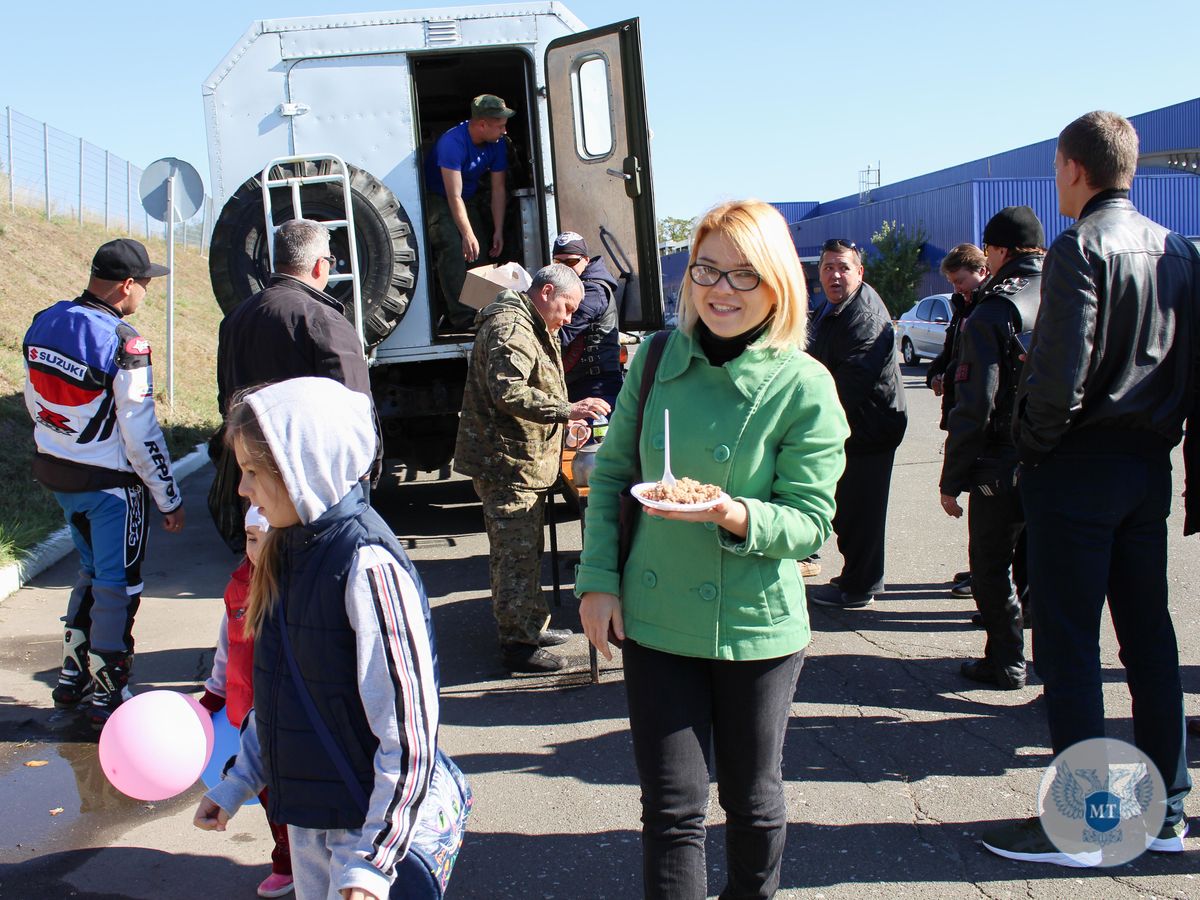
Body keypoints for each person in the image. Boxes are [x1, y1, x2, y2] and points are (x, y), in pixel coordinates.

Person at [577, 200, 849, 898]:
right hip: (656, 613)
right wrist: (598, 580)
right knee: (671, 811)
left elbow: (812, 521)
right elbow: (612, 475)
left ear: (778, 283)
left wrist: (731, 512)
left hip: (756, 626)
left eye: (743, 275)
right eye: (707, 269)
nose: (721, 290)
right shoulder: (661, 355)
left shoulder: (804, 383)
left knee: (753, 802)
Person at [982, 110, 1199, 864]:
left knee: (1070, 647)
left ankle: (1089, 822)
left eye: (1056, 169)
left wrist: (1030, 454)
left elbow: (1058, 376)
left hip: (1078, 467)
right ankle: (1168, 812)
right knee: (1147, 638)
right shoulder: (1179, 249)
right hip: (1148, 465)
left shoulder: (1081, 245)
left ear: (1074, 168)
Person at [193, 377, 440, 900]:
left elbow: (410, 732)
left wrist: (373, 862)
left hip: (364, 831)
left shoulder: (366, 565)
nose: (243, 489)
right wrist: (240, 780)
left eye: (254, 472)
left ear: (304, 468)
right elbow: (282, 694)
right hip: (310, 823)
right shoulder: (287, 552)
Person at [22, 238, 184, 728]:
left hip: (59, 474)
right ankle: (109, 692)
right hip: (113, 486)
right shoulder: (126, 343)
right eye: (146, 284)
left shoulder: (45, 320)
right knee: (120, 586)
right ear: (126, 285)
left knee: (91, 574)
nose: (146, 294)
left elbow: (36, 400)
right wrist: (168, 496)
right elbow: (140, 431)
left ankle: (72, 677)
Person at [453, 264, 610, 673]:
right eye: (567, 308)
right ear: (544, 292)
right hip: (507, 462)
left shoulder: (528, 322)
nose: (569, 318)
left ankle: (530, 625)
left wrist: (565, 418)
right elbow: (509, 390)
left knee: (525, 550)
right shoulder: (512, 326)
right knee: (515, 556)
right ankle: (518, 646)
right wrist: (566, 409)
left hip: (521, 459)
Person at [214, 218, 379, 550]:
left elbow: (225, 400)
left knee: (268, 574)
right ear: (321, 265)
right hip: (312, 485)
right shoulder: (322, 318)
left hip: (254, 478)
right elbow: (354, 407)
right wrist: (367, 468)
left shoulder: (235, 319)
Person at [938, 208, 1044, 690]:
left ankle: (1006, 660)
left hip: (1001, 459)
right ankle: (1051, 661)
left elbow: (974, 404)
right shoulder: (1077, 292)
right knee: (1041, 561)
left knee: (990, 564)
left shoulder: (995, 308)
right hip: (1062, 459)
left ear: (998, 252)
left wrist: (952, 478)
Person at [806, 238, 907, 608]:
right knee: (847, 505)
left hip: (869, 427)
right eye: (828, 268)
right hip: (851, 425)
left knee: (861, 508)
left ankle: (861, 585)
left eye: (843, 268)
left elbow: (850, 385)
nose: (836, 275)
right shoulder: (830, 308)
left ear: (859, 272)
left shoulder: (863, 316)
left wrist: (808, 419)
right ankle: (856, 576)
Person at [198, 506, 293, 898]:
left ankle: (296, 859)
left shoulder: (299, 587)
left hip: (290, 722)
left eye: (264, 538)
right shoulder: (240, 585)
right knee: (269, 798)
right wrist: (214, 692)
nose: (254, 549)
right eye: (250, 538)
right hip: (247, 715)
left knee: (295, 800)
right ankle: (286, 858)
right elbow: (227, 646)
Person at [927, 244, 990, 601]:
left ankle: (988, 575)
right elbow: (950, 353)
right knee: (980, 512)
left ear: (982, 270)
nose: (957, 289)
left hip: (980, 421)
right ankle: (980, 568)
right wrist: (937, 372)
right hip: (960, 412)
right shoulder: (963, 307)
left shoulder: (990, 308)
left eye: (961, 281)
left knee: (987, 508)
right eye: (952, 283)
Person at [424, 94, 516, 330]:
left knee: (480, 250)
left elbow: (498, 189)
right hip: (440, 197)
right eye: (500, 126)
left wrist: (498, 230)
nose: (505, 131)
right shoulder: (451, 143)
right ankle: (463, 319)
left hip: (468, 197)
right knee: (453, 246)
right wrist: (466, 233)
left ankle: (481, 312)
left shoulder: (497, 145)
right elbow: (453, 195)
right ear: (482, 124)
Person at [552, 231, 624, 410]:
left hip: (597, 388)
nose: (565, 268)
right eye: (558, 262)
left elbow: (561, 335)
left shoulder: (592, 290)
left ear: (586, 259)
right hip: (577, 384)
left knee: (594, 438)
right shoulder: (574, 285)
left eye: (571, 262)